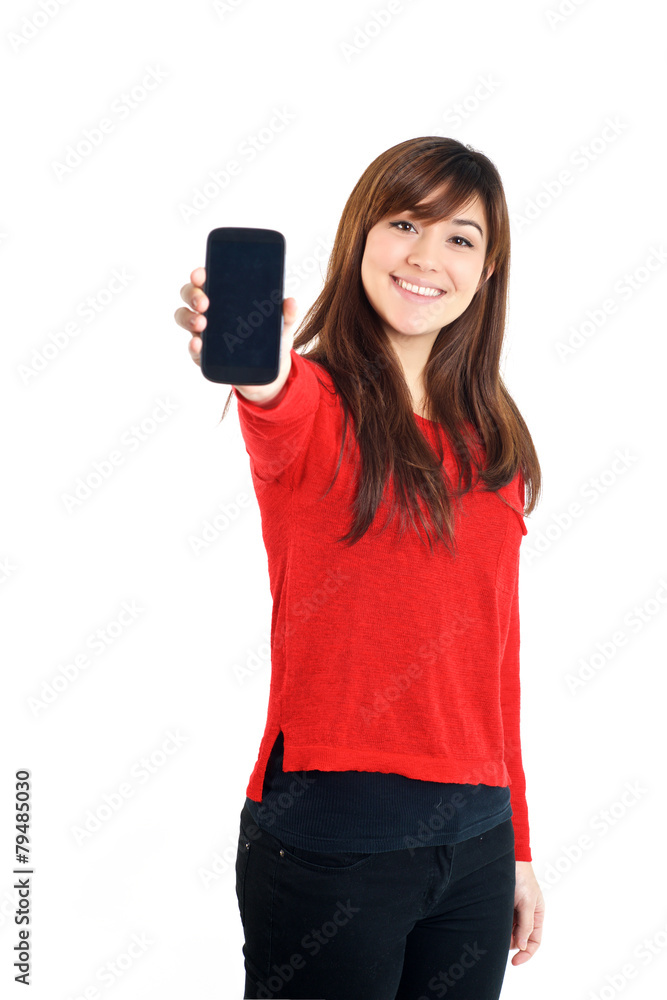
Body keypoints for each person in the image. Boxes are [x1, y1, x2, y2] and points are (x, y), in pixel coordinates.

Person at [175, 135, 545, 1000]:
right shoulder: (313, 407)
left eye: (460, 237)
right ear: (359, 239)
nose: (426, 256)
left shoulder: (494, 441)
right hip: (332, 842)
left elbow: (495, 659)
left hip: (478, 846)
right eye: (404, 223)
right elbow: (273, 389)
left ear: (487, 272)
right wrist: (248, 356)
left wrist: (517, 843)